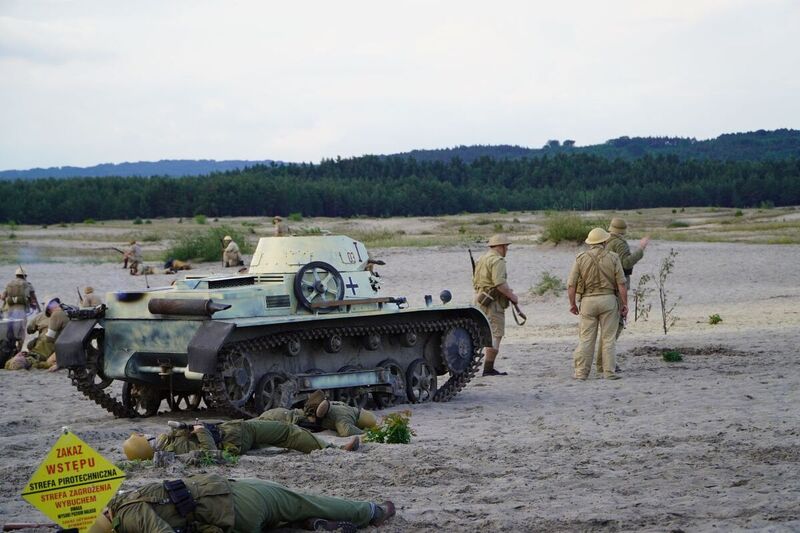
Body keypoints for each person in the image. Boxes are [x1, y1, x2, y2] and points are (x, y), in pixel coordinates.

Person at [88, 473, 395, 533]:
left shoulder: (127, 517)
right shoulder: (130, 511)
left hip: (229, 521)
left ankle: (309, 528)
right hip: (239, 500)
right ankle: (373, 512)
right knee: (309, 502)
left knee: (277, 522)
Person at [122, 419, 360, 461]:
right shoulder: (177, 448)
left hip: (236, 435)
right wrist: (201, 431)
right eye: (141, 438)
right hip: (240, 434)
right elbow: (211, 456)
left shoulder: (169, 442)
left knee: (280, 433)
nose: (143, 434)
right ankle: (333, 450)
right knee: (287, 432)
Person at [567, 228, 628, 381]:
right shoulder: (613, 257)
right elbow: (621, 284)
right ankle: (609, 372)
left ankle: (581, 373)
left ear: (590, 243)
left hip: (588, 301)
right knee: (608, 338)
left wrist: (572, 304)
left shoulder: (580, 258)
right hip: (608, 300)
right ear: (605, 241)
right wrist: (624, 304)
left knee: (586, 339)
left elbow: (571, 285)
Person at [472, 234, 519, 376]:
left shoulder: (482, 259)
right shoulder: (498, 261)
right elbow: (499, 283)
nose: (507, 250)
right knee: (496, 334)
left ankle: (485, 367)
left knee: (482, 333)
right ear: (501, 247)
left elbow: (475, 281)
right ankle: (488, 368)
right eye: (506, 246)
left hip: (480, 299)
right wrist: (512, 297)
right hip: (493, 302)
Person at [606, 217, 650, 341]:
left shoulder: (605, 241)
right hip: (618, 284)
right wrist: (641, 249)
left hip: (605, 283)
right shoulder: (619, 243)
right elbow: (626, 263)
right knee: (618, 320)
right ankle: (608, 350)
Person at [301, 390, 378, 437]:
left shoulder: (341, 417)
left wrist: (364, 433)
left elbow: (346, 432)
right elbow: (346, 432)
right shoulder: (340, 414)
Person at [1, 267, 39, 352]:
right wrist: (34, 306)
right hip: (21, 311)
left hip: (9, 312)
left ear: (16, 275)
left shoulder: (9, 284)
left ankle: (9, 349)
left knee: (9, 331)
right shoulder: (27, 284)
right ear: (25, 275)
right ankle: (19, 350)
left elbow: (3, 297)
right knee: (21, 332)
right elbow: (33, 299)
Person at [28, 296, 68, 370]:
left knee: (44, 362)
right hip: (69, 343)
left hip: (59, 345)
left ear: (48, 310)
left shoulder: (54, 314)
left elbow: (49, 337)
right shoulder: (67, 311)